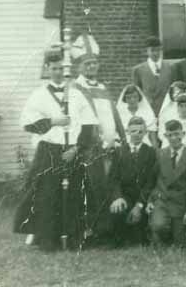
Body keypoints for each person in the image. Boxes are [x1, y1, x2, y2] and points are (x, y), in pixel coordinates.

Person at [13, 49, 98, 251]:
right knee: (47, 194)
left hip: (71, 150)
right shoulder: (39, 95)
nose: (58, 72)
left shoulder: (76, 94)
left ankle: (74, 237)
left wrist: (76, 148)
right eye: (54, 68)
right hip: (49, 150)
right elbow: (27, 124)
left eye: (61, 68)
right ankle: (48, 239)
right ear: (47, 69)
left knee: (75, 192)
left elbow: (88, 125)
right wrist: (53, 121)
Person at [69, 33, 129, 245]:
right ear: (79, 67)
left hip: (110, 146)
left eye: (94, 63)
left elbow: (113, 116)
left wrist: (120, 137)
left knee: (111, 185)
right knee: (94, 189)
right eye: (87, 64)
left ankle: (110, 230)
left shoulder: (102, 88)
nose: (91, 67)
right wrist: (96, 140)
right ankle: (95, 232)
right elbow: (79, 120)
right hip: (91, 148)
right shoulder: (76, 89)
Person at [147, 120, 186, 246]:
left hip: (181, 204)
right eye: (170, 135)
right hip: (162, 200)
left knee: (180, 241)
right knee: (158, 226)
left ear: (183, 134)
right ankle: (158, 231)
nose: (174, 138)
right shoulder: (159, 154)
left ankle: (178, 231)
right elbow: (151, 180)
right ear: (165, 136)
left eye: (177, 134)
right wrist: (149, 201)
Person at [114, 116, 158, 246]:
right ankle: (119, 239)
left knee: (140, 237)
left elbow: (151, 182)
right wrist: (118, 197)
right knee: (117, 209)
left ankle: (141, 236)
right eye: (133, 131)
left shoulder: (151, 152)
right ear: (128, 132)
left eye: (140, 132)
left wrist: (139, 205)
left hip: (142, 197)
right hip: (125, 196)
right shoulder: (119, 151)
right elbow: (114, 178)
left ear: (145, 133)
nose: (137, 135)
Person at [131, 36, 173, 116]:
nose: (155, 53)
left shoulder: (169, 68)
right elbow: (137, 94)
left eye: (158, 50)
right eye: (152, 50)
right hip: (148, 112)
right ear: (147, 51)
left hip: (166, 112)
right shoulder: (138, 70)